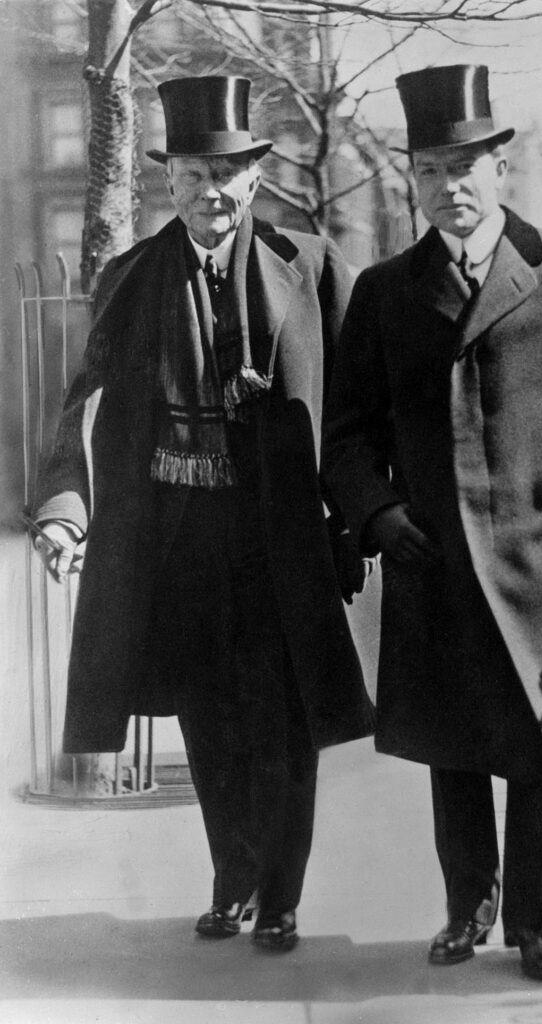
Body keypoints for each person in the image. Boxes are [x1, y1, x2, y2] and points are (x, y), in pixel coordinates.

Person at [322, 64, 542, 982]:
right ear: (412, 181)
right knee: (456, 747)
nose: (449, 188)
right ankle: (465, 906)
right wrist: (379, 511)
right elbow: (347, 434)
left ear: (498, 170)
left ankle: (534, 921)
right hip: (437, 560)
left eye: (466, 167)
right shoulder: (386, 292)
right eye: (430, 170)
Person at [32, 74, 374, 952]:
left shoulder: (313, 264)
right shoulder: (130, 277)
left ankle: (284, 895)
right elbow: (83, 399)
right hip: (176, 536)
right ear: (167, 183)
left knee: (285, 719)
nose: (209, 192)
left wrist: (361, 514)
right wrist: (66, 508)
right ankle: (233, 878)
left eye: (226, 174)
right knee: (210, 718)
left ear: (255, 178)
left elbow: (352, 413)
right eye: (190, 175)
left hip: (280, 535)